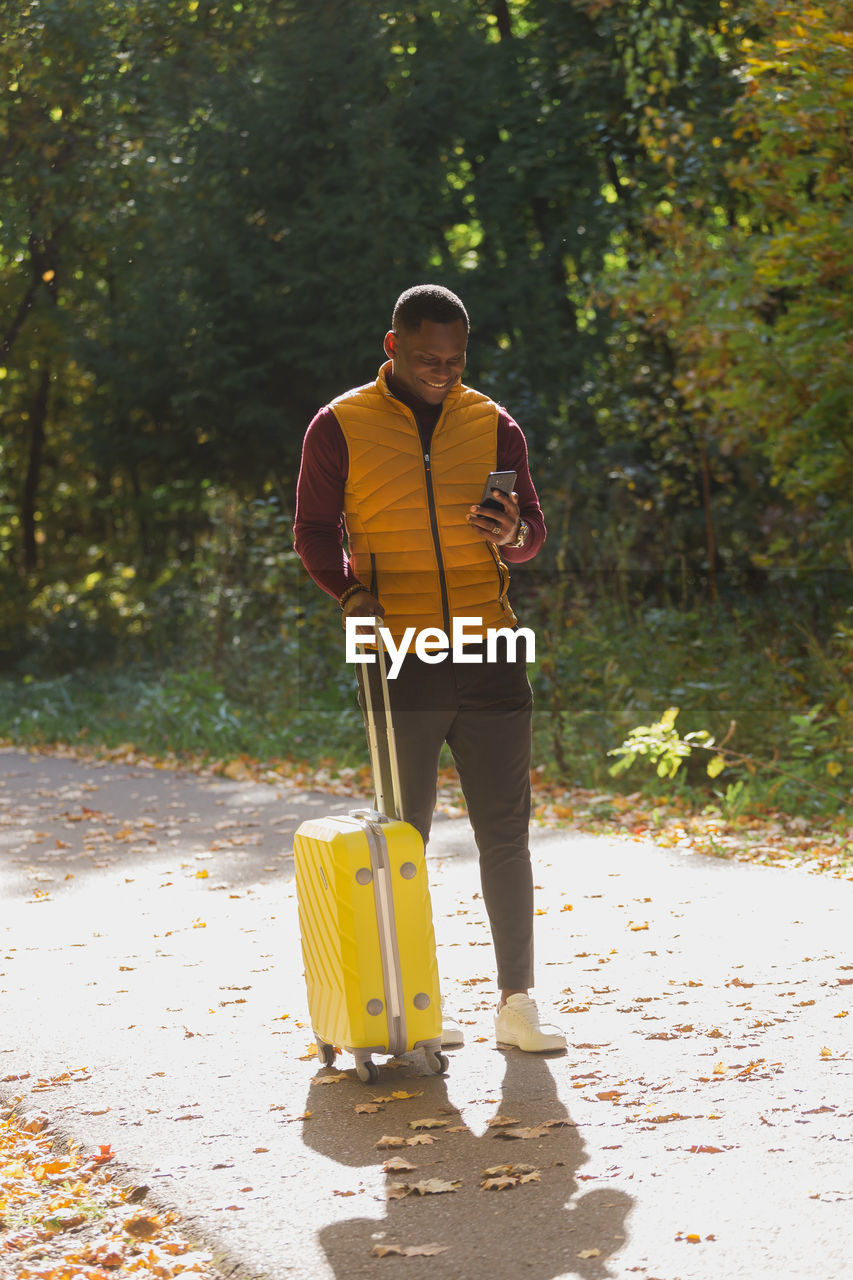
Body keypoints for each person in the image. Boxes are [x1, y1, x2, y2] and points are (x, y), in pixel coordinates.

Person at [293, 284, 566, 1054]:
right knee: (401, 836)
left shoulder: (493, 425)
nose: (442, 372)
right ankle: (411, 1004)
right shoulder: (338, 425)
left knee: (504, 834)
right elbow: (312, 529)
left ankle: (517, 1002)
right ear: (392, 347)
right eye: (426, 360)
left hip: (490, 646)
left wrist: (513, 532)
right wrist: (348, 592)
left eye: (454, 361)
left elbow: (532, 534)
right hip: (393, 652)